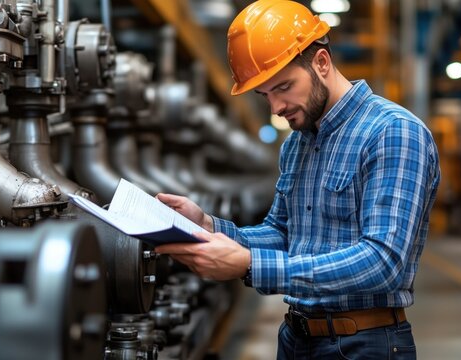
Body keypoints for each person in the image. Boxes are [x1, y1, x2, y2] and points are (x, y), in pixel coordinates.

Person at [155, 0, 441, 358]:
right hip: (295, 338)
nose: (275, 108)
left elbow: (383, 262)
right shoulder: (297, 144)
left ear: (321, 62)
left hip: (362, 344)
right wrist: (210, 226)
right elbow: (283, 233)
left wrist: (249, 264)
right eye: (265, 95)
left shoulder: (393, 132)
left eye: (284, 87)